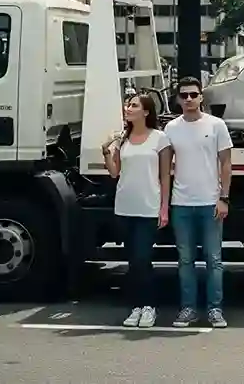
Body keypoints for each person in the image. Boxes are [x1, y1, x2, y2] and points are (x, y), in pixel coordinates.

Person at [165, 75, 233, 328]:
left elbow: (226, 164)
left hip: (210, 202)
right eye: (184, 95)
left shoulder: (216, 125)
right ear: (178, 99)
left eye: (194, 94)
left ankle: (215, 309)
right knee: (185, 260)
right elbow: (163, 167)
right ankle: (188, 309)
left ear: (201, 97)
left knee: (214, 259)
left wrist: (224, 198)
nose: (189, 99)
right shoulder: (171, 129)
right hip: (181, 202)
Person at [101, 93, 172, 328]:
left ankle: (149, 307)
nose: (128, 108)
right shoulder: (124, 138)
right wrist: (106, 152)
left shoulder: (159, 139)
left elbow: (164, 176)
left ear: (146, 112)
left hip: (148, 207)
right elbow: (115, 172)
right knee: (132, 261)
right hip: (124, 207)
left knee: (143, 258)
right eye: (127, 105)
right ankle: (136, 307)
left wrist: (164, 209)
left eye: (133, 105)